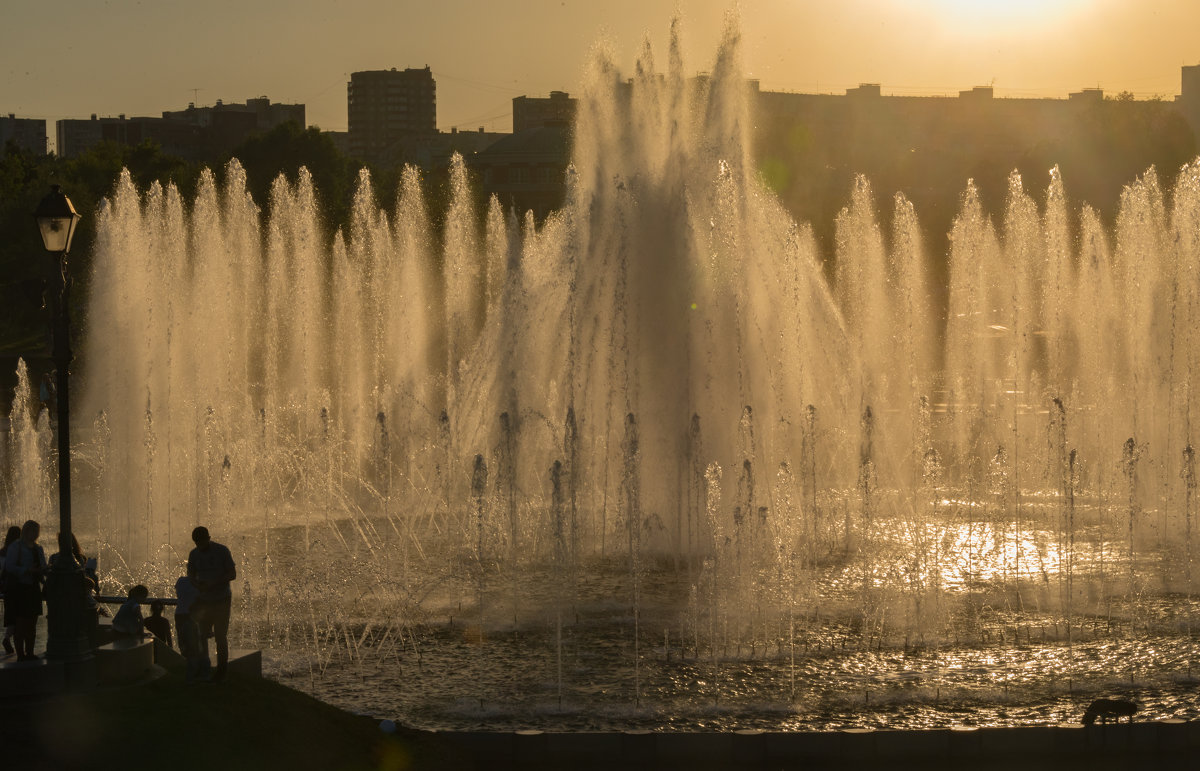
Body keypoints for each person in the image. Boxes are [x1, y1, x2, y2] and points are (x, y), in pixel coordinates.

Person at [188, 526, 236, 681]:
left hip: (222, 599)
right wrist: (197, 584)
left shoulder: (222, 551)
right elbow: (190, 574)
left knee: (220, 636)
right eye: (197, 543)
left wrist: (214, 583)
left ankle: (222, 671)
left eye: (202, 542)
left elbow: (232, 574)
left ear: (209, 538)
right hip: (204, 600)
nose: (200, 546)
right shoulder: (194, 554)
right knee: (201, 635)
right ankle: (204, 667)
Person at [5, 520, 46, 661]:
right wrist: (26, 570)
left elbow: (43, 566)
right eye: (33, 531)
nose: (35, 534)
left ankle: (30, 652)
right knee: (21, 622)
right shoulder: (16, 547)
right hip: (20, 588)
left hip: (34, 587)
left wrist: (44, 571)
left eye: (37, 531)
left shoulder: (38, 548)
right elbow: (9, 566)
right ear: (26, 531)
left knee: (32, 621)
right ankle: (21, 654)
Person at [174, 574, 206, 682]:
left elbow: (178, 594)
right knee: (196, 642)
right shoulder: (200, 582)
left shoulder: (180, 581)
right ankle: (196, 670)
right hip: (192, 614)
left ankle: (187, 665)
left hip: (179, 613)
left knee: (183, 640)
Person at [1, 524, 21, 656]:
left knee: (12, 615)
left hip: (5, 587)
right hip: (15, 586)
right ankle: (9, 639)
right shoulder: (17, 551)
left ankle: (9, 639)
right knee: (19, 616)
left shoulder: (2, 551)